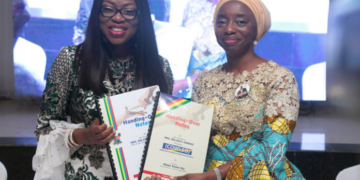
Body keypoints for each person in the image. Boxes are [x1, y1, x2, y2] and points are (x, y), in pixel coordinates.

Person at [147, 0, 305, 179]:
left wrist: (214, 175)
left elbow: (272, 149)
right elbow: (193, 139)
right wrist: (164, 170)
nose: (229, 29)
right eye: (221, 22)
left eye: (240, 22)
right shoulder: (205, 80)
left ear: (257, 28)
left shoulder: (279, 78)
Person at [32, 0, 174, 179]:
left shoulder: (160, 67)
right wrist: (85, 135)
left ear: (141, 17)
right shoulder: (71, 60)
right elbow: (44, 130)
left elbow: (164, 136)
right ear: (97, 14)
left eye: (129, 11)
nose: (117, 17)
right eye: (108, 9)